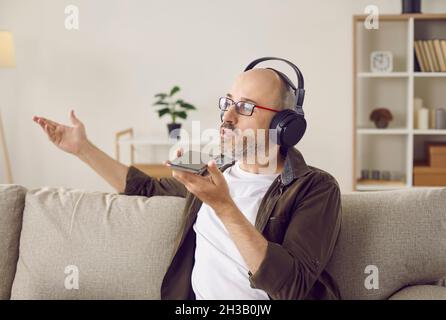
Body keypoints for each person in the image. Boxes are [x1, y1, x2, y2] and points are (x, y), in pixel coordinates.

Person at [33, 65, 342, 300]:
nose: (228, 117)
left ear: (284, 125)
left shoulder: (314, 187)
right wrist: (82, 149)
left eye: (246, 107)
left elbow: (293, 287)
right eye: (228, 103)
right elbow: (146, 188)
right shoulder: (212, 169)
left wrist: (224, 206)